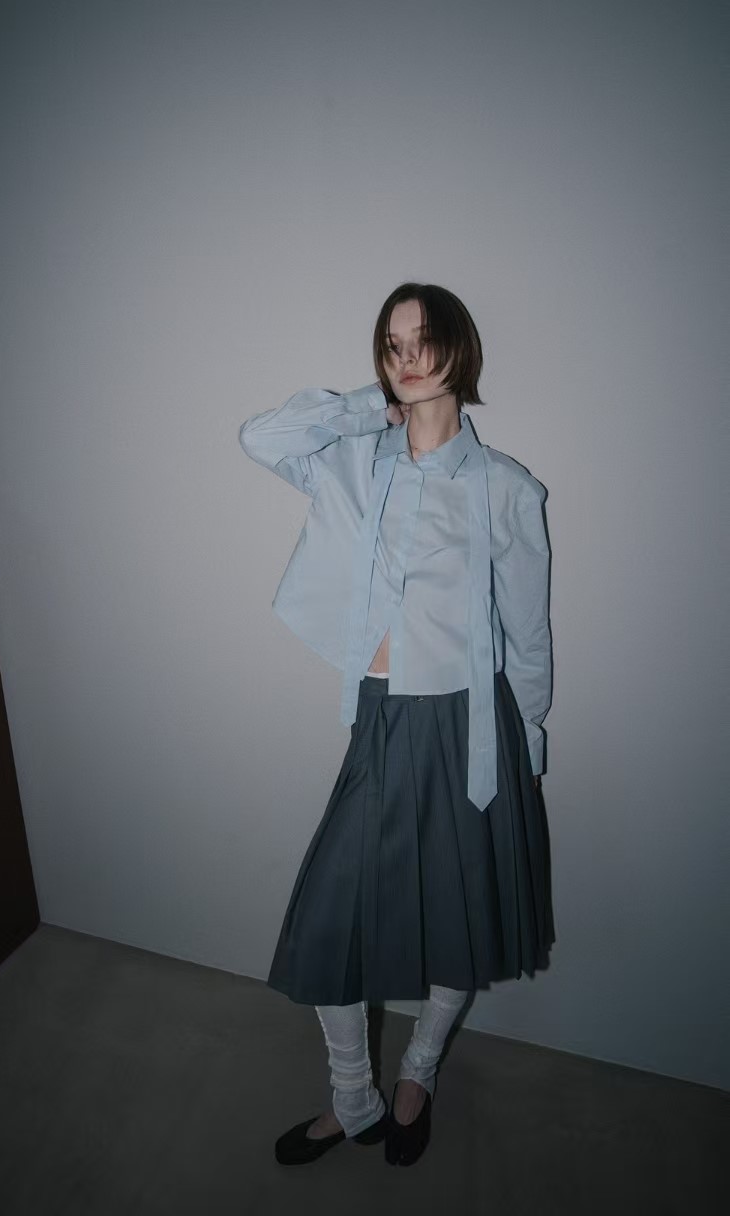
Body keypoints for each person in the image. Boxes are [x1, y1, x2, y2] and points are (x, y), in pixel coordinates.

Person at [238, 282, 555, 1168]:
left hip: (472, 726)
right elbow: (261, 439)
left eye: (424, 340)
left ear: (461, 349)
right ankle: (354, 1098)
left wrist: (527, 745)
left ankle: (417, 1073)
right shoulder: (356, 462)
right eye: (392, 344)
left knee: (460, 912)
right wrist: (361, 407)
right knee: (329, 919)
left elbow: (528, 633)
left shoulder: (506, 489)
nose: (409, 357)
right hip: (380, 718)